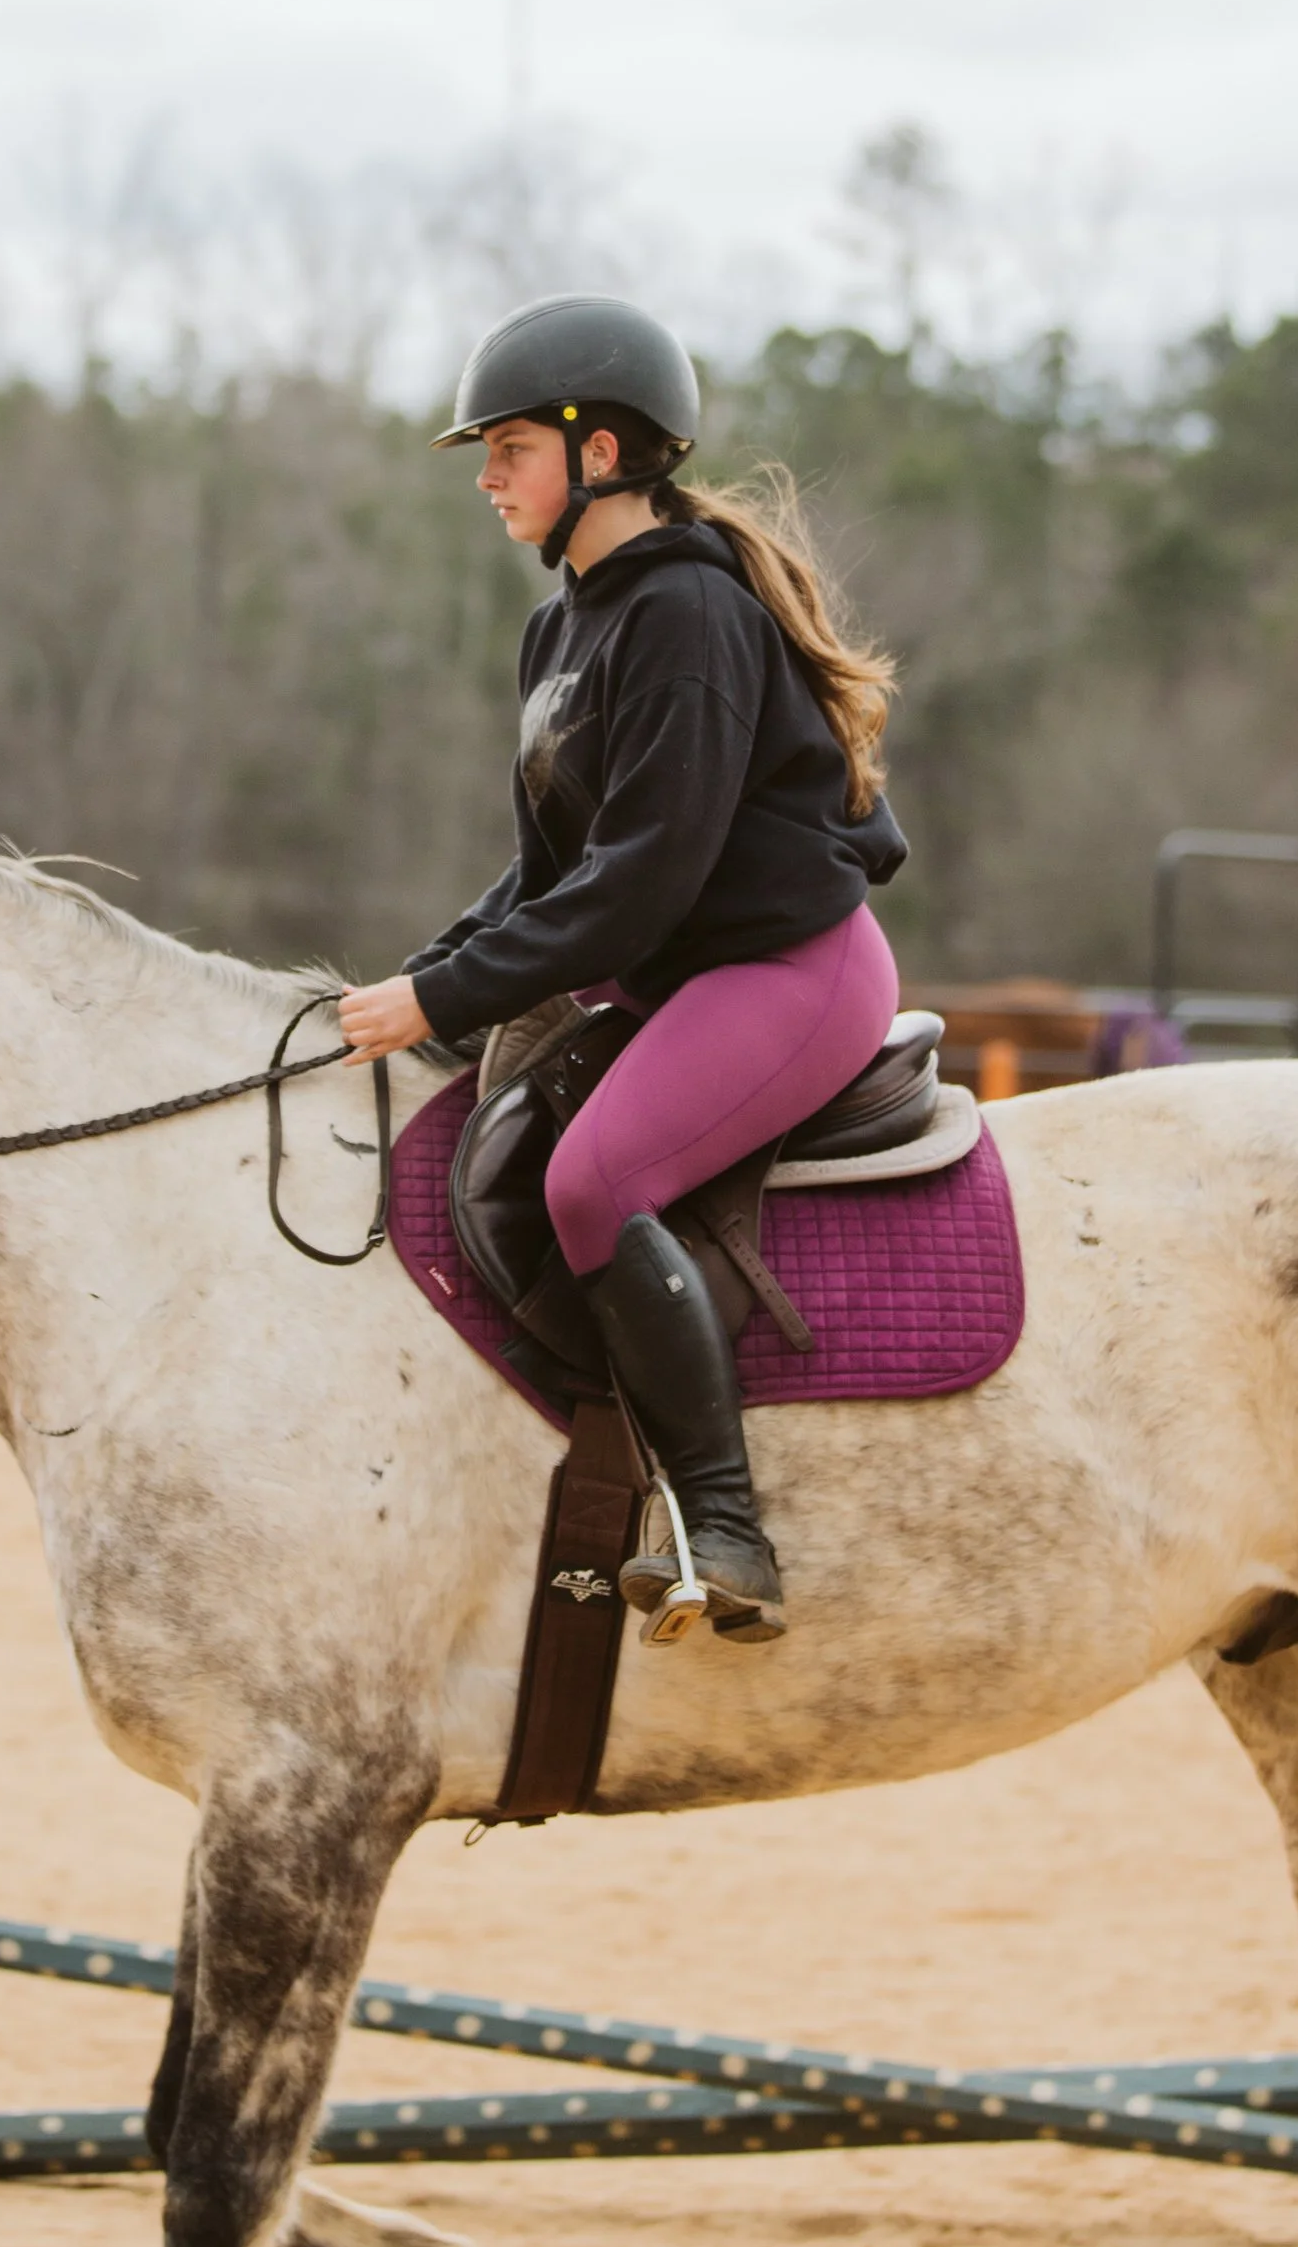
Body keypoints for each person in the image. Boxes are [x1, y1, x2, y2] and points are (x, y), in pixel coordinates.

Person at [337, 295, 906, 1642]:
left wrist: (447, 993)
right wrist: (415, 986)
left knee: (594, 1179)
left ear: (602, 452)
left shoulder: (689, 619)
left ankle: (725, 1525)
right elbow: (548, 876)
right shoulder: (562, 633)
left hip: (791, 970)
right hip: (669, 974)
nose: (486, 477)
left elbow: (640, 880)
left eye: (511, 447)